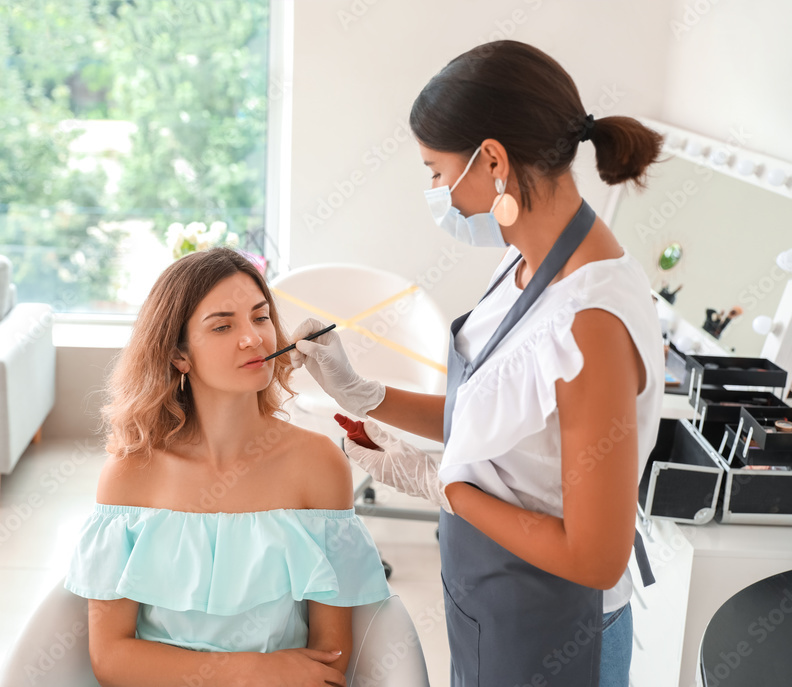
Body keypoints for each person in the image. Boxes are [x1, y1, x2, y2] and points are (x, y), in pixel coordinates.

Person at [290, 40, 665, 687]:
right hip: (491, 599)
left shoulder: (590, 321)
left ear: (492, 159)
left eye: (437, 172)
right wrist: (364, 394)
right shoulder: (522, 264)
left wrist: (448, 488)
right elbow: (498, 417)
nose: (437, 193)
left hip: (557, 626)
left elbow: (597, 556)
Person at [63, 247, 392, 687]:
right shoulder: (130, 473)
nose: (253, 338)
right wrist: (250, 671)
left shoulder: (318, 465)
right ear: (179, 355)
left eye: (260, 318)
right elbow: (111, 658)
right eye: (223, 325)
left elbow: (330, 660)